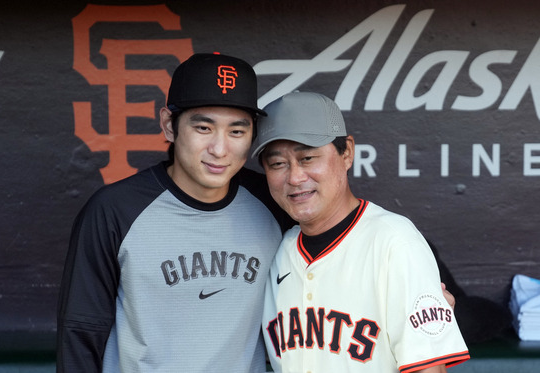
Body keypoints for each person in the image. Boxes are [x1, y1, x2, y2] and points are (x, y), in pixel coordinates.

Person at [56, 53, 292, 372]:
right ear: (169, 125)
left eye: (236, 131)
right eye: (204, 128)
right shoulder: (115, 210)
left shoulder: (275, 203)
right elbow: (80, 337)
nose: (220, 149)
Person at [253, 92, 470, 372]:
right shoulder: (277, 250)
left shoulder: (395, 242)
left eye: (307, 157)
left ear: (347, 153)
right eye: (277, 164)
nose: (294, 177)